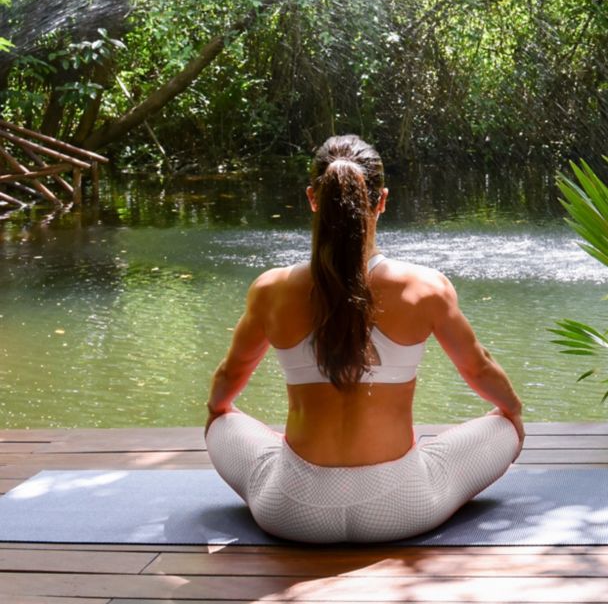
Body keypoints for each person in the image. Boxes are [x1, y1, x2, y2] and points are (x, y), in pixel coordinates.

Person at [204, 134, 524, 543]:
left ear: (312, 199)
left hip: (291, 511)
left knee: (223, 422)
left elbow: (230, 377)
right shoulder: (425, 288)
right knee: (504, 427)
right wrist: (513, 411)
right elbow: (477, 368)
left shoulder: (271, 290)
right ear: (382, 200)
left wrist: (219, 411)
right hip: (403, 506)